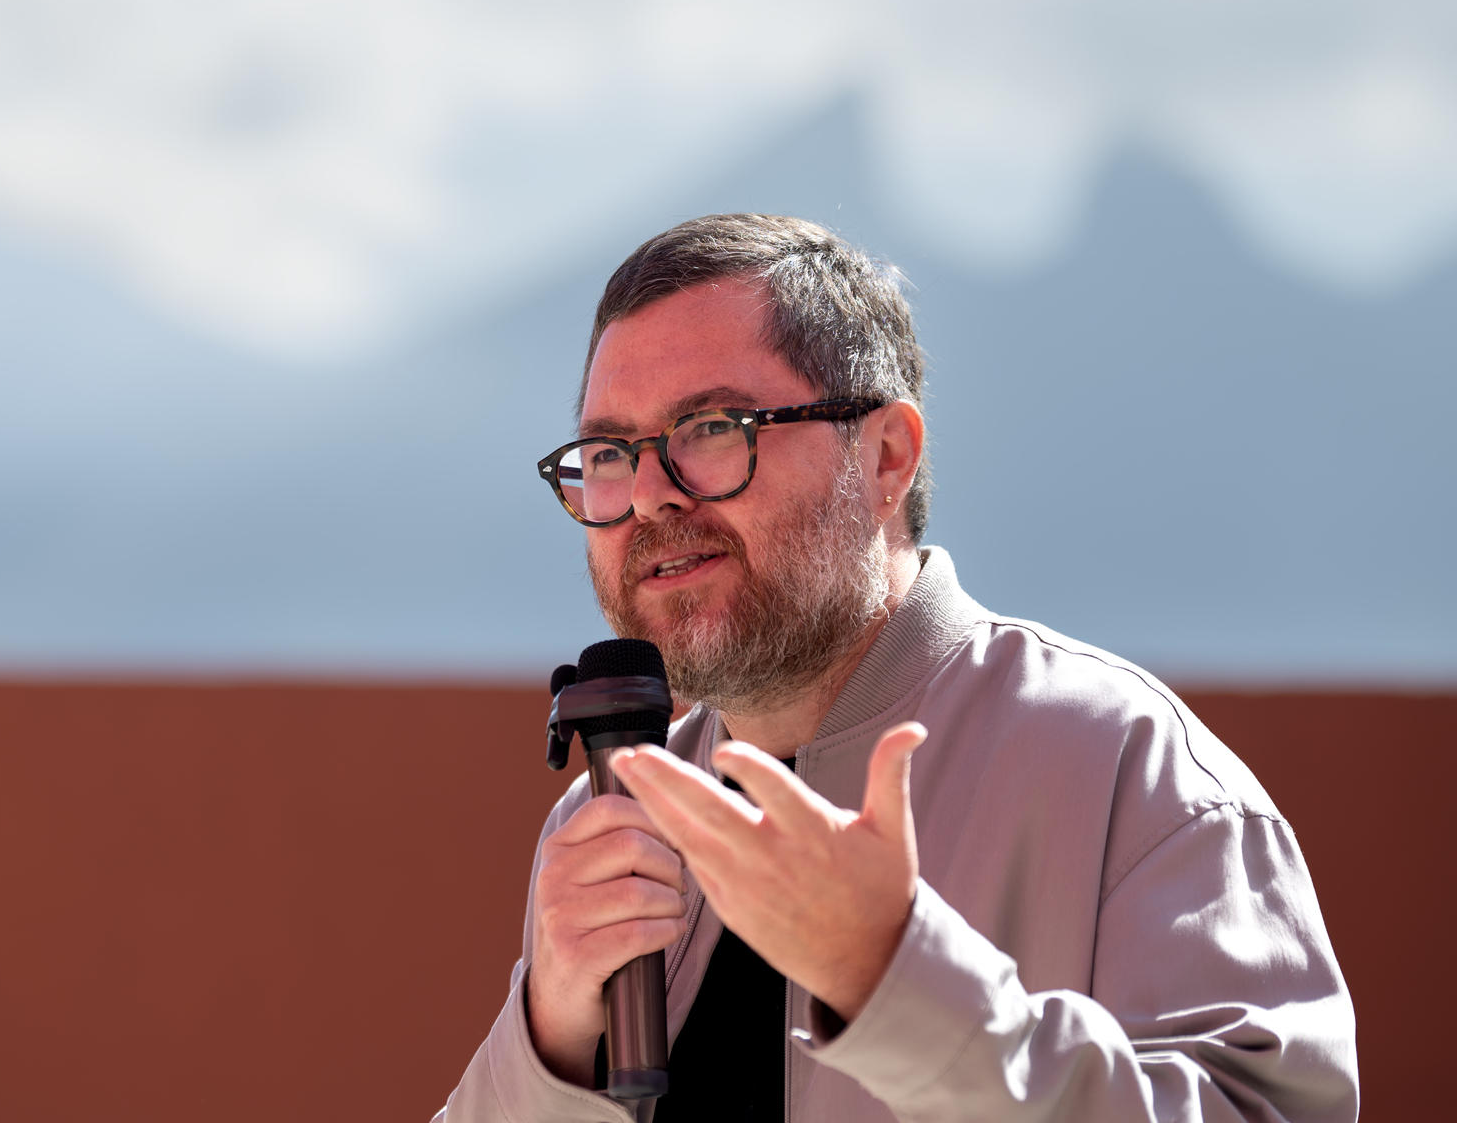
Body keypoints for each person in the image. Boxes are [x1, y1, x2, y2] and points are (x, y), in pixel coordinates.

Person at [434, 214, 1358, 1122]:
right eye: (607, 452)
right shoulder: (615, 813)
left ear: (885, 456)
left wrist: (898, 981)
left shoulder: (1125, 767)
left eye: (712, 427)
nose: (646, 495)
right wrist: (547, 1042)